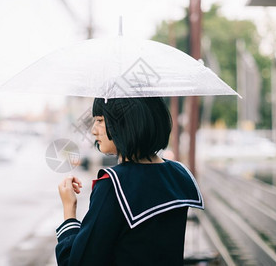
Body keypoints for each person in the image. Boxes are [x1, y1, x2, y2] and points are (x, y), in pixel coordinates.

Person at [56, 97, 204, 266]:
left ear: (126, 122)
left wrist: (69, 210)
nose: (93, 130)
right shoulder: (178, 174)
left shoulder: (113, 186)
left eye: (100, 120)